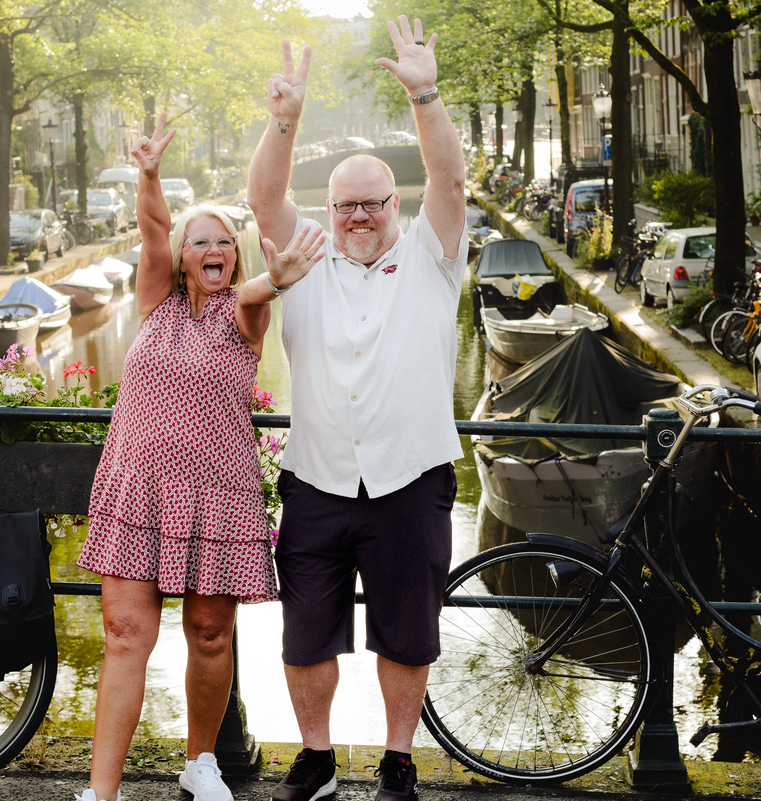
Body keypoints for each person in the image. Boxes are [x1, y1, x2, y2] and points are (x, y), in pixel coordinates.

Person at [246, 16, 468, 801]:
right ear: (330, 210)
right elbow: (264, 195)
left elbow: (451, 182)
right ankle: (316, 756)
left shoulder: (432, 261)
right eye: (346, 206)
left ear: (395, 203)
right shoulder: (302, 259)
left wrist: (425, 95)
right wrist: (285, 117)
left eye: (372, 203)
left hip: (411, 477)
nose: (359, 217)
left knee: (407, 632)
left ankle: (399, 757)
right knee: (305, 632)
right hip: (317, 478)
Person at [76, 113, 326, 801]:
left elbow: (252, 294)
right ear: (183, 256)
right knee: (126, 633)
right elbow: (154, 228)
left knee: (211, 633)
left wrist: (275, 279)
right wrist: (149, 173)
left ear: (235, 255)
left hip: (217, 489)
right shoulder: (155, 299)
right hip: (139, 487)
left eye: (224, 241)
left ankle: (202, 761)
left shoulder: (244, 314)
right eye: (200, 241)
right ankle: (101, 792)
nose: (212, 249)